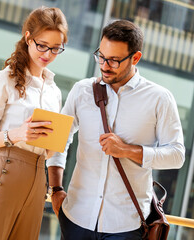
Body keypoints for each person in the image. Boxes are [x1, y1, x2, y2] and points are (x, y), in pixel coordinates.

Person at [47, 19, 185, 240]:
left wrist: (127, 150)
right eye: (101, 56)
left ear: (135, 58)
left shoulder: (159, 98)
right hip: (75, 217)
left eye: (113, 60)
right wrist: (55, 189)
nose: (104, 65)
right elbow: (59, 140)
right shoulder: (82, 91)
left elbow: (176, 155)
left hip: (126, 225)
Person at [0, 6, 68, 240]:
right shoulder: (4, 79)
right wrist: (17, 134)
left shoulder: (54, 90)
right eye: (42, 45)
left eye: (55, 48)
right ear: (28, 37)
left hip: (37, 182)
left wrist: (55, 142)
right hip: (5, 173)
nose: (48, 53)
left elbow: (50, 150)